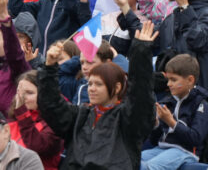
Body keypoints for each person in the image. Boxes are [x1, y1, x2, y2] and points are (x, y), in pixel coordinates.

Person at [38, 21, 156, 169]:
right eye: (90, 84)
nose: (91, 89)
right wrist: (49, 67)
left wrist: (141, 51)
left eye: (98, 84)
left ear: (117, 87)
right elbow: (51, 105)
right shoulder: (80, 115)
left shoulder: (128, 119)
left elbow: (141, 94)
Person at [116, 0, 208, 88]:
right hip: (172, 97)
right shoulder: (174, 16)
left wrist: (185, 7)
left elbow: (199, 41)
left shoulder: (203, 13)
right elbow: (147, 35)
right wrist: (125, 7)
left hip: (199, 101)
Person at [141, 54, 208, 169]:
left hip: (185, 151)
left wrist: (171, 122)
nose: (168, 84)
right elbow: (154, 140)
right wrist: (155, 124)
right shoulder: (168, 101)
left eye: (173, 80)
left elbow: (196, 138)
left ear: (190, 80)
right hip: (162, 148)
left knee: (151, 166)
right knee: (131, 159)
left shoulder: (201, 104)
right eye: (168, 80)